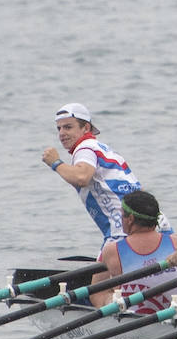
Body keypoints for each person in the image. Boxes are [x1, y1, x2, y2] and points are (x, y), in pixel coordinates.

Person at [41, 102, 141, 245]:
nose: (62, 133)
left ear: (86, 128)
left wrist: (55, 163)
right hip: (153, 227)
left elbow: (82, 177)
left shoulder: (84, 148)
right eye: (59, 128)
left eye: (68, 127)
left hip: (121, 232)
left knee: (106, 265)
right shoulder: (104, 149)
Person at [88, 190, 177, 312]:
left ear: (130, 219)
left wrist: (109, 300)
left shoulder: (112, 250)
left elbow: (95, 293)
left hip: (132, 323)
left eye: (122, 215)